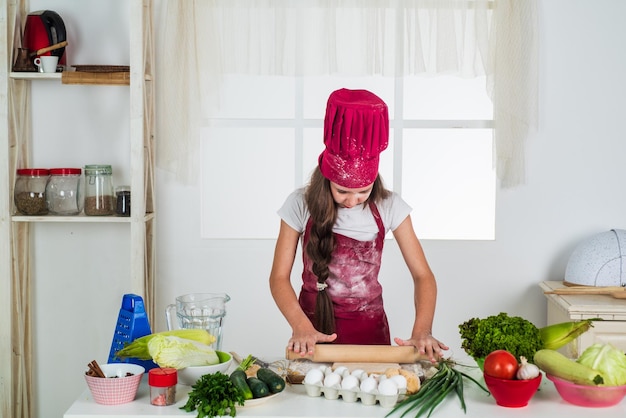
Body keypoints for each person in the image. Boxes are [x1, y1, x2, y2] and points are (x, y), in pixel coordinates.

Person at [269, 88, 448, 363]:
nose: (352, 200)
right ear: (326, 178)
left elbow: (423, 275)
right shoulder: (299, 204)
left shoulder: (390, 206)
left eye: (363, 192)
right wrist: (300, 326)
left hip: (371, 338)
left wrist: (422, 331)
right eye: (342, 191)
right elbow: (278, 277)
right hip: (311, 337)